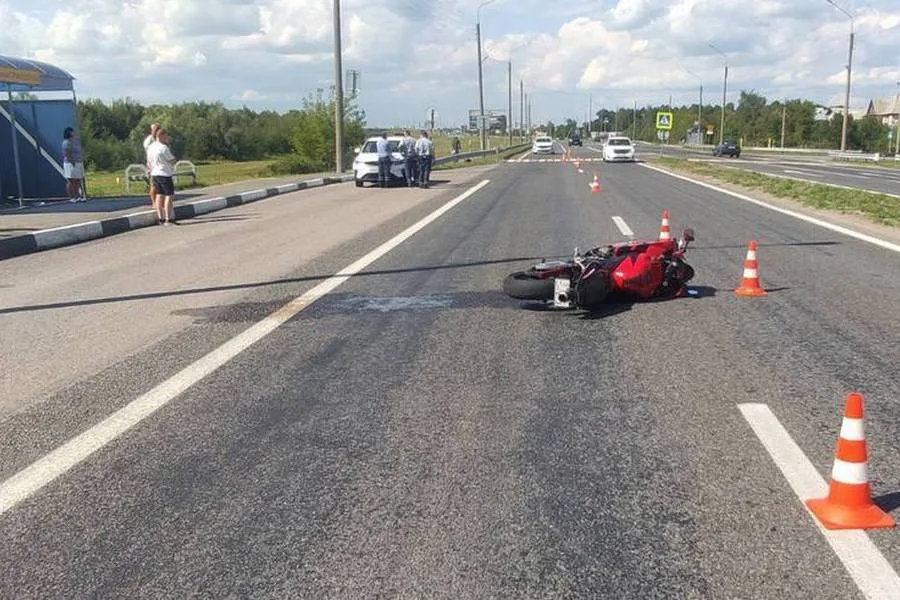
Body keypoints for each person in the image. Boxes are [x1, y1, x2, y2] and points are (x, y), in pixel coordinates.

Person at [147, 127, 177, 225]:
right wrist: (173, 162)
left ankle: (161, 218)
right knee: (169, 195)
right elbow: (172, 160)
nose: (167, 138)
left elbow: (149, 162)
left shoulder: (150, 147)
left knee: (159, 194)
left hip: (154, 173)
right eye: (166, 136)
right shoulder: (163, 148)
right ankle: (168, 218)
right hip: (164, 173)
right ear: (160, 136)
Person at [62, 127, 86, 203]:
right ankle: (71, 197)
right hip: (70, 163)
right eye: (72, 132)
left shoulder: (75, 141)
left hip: (78, 162)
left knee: (77, 180)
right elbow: (67, 154)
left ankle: (78, 196)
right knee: (71, 180)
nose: (74, 133)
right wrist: (72, 162)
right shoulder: (66, 142)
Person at [143, 123, 160, 208]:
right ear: (152, 130)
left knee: (160, 185)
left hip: (160, 165)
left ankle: (159, 201)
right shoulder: (149, 140)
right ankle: (154, 202)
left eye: (158, 129)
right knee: (153, 184)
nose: (157, 131)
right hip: (152, 165)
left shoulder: (159, 139)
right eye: (156, 129)